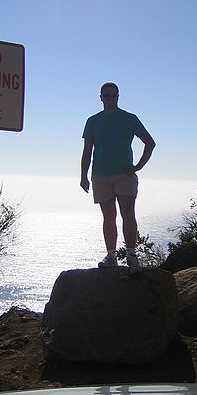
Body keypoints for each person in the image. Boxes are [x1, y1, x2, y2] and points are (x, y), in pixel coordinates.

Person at [80, 82, 156, 273]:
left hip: (125, 176)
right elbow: (87, 151)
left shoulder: (129, 119)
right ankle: (111, 256)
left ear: (118, 96)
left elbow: (150, 143)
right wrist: (83, 175)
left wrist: (138, 166)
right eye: (107, 95)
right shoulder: (92, 121)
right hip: (100, 176)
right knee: (109, 217)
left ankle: (131, 255)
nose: (110, 98)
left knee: (128, 214)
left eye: (113, 95)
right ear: (101, 97)